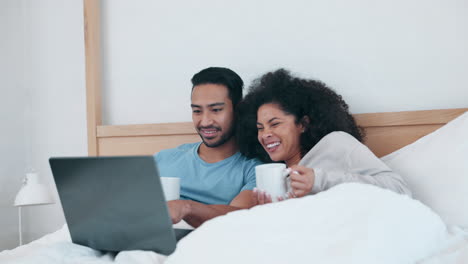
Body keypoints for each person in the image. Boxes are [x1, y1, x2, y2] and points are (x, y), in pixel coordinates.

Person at [236, 69, 411, 204]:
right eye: (260, 128)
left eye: (275, 124)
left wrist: (320, 181)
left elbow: (400, 190)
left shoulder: (335, 143)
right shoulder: (277, 178)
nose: (265, 134)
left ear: (302, 124)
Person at [154, 67, 261, 227]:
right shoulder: (164, 159)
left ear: (238, 110)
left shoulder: (255, 168)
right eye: (197, 111)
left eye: (216, 110)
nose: (205, 121)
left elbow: (239, 216)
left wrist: (187, 207)